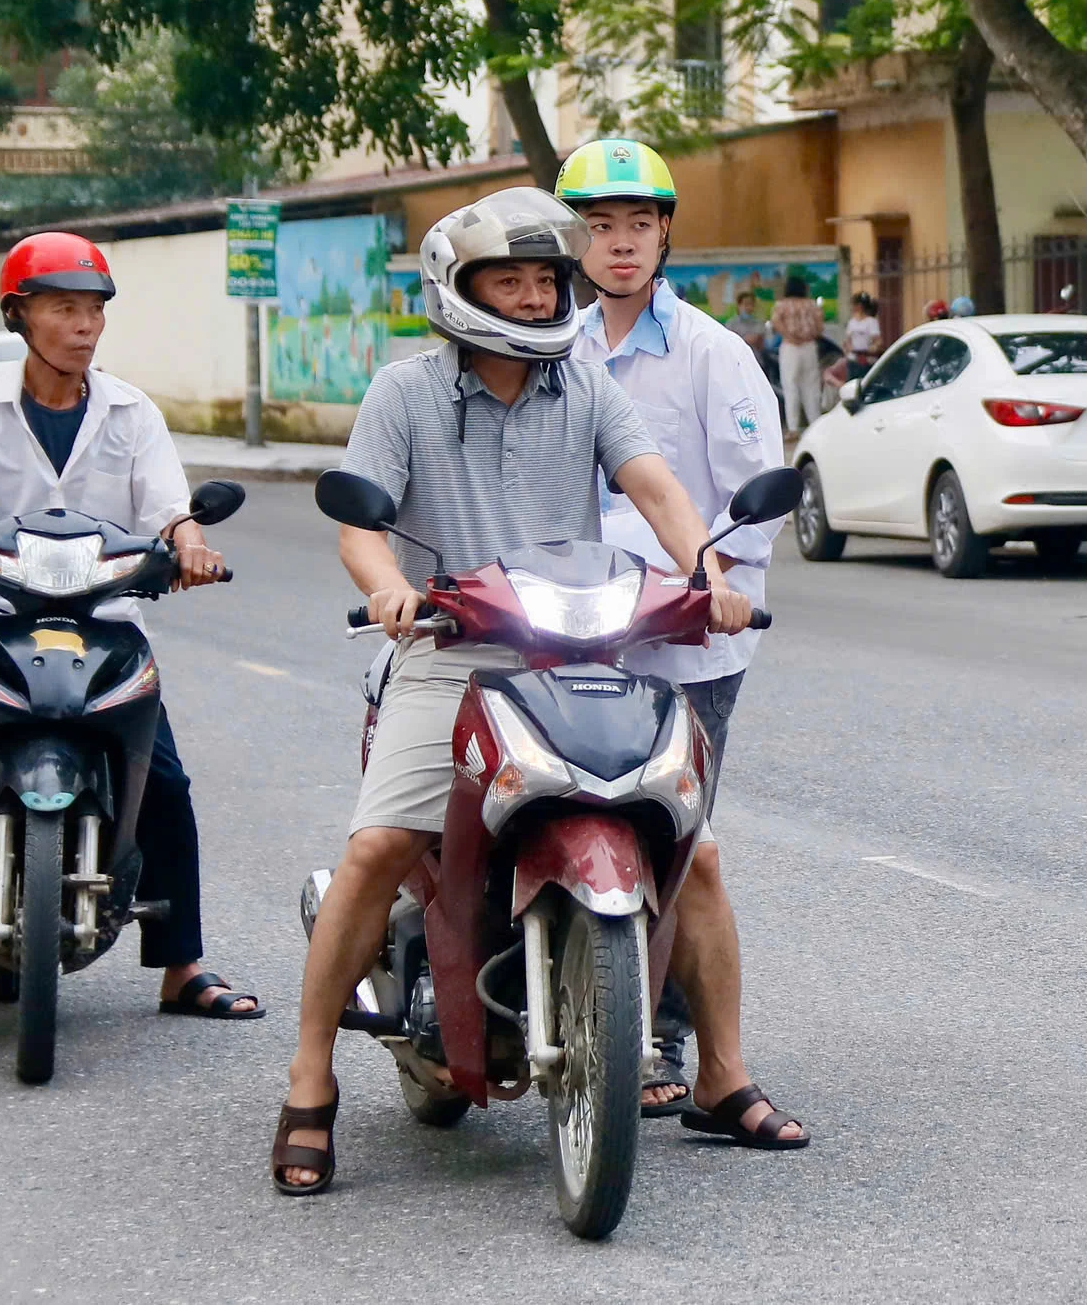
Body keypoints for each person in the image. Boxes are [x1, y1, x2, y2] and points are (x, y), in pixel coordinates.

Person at [274, 187, 760, 1195]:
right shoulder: (404, 392)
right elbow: (360, 526)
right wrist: (391, 588)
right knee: (380, 845)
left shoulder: (584, 385)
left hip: (573, 649)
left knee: (697, 851)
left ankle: (721, 1073)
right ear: (460, 288)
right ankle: (309, 1075)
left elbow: (656, 486)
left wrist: (706, 574)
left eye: (547, 280)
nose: (536, 298)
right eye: (512, 280)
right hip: (449, 648)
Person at [0, 232, 258, 1022]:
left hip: (102, 616)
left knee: (163, 776)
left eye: (93, 311)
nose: (83, 327)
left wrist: (191, 546)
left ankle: (181, 965)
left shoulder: (131, 412)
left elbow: (169, 508)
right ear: (19, 315)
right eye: (63, 309)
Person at [560, 138, 805, 1146]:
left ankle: (669, 1042)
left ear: (666, 235)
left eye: (638, 224)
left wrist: (719, 585)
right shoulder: (559, 347)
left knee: (676, 840)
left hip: (691, 643)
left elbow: (756, 501)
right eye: (600, 226)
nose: (620, 244)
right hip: (579, 637)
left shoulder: (712, 353)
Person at [772, 275, 826, 433]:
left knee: (790, 387)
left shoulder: (782, 305)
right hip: (809, 347)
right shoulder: (811, 305)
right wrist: (807, 336)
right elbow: (820, 327)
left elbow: (776, 322)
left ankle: (793, 427)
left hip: (790, 347)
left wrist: (790, 336)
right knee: (811, 387)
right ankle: (815, 425)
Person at [843, 292, 883, 378]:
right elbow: (848, 340)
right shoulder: (852, 322)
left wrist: (873, 348)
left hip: (867, 360)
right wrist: (849, 348)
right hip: (853, 359)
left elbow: (878, 341)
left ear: (860, 306)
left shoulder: (871, 322)